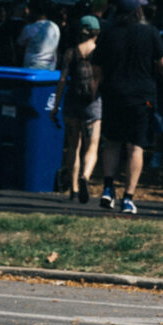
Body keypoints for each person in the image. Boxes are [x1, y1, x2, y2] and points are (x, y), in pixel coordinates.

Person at [92, 0, 163, 214]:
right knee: (136, 146)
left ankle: (108, 188)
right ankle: (128, 197)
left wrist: (97, 87)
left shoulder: (109, 33)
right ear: (139, 11)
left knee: (113, 142)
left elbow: (96, 67)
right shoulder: (150, 32)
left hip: (114, 93)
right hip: (141, 95)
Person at [51, 15, 102, 203]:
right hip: (92, 103)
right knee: (92, 146)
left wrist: (55, 106)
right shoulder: (99, 52)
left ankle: (72, 189)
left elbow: (62, 80)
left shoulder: (70, 53)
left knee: (73, 146)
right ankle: (85, 176)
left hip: (72, 102)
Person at [18, 0, 60, 70]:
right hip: (50, 68)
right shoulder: (55, 27)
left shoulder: (29, 28)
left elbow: (20, 46)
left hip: (31, 68)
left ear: (33, 11)